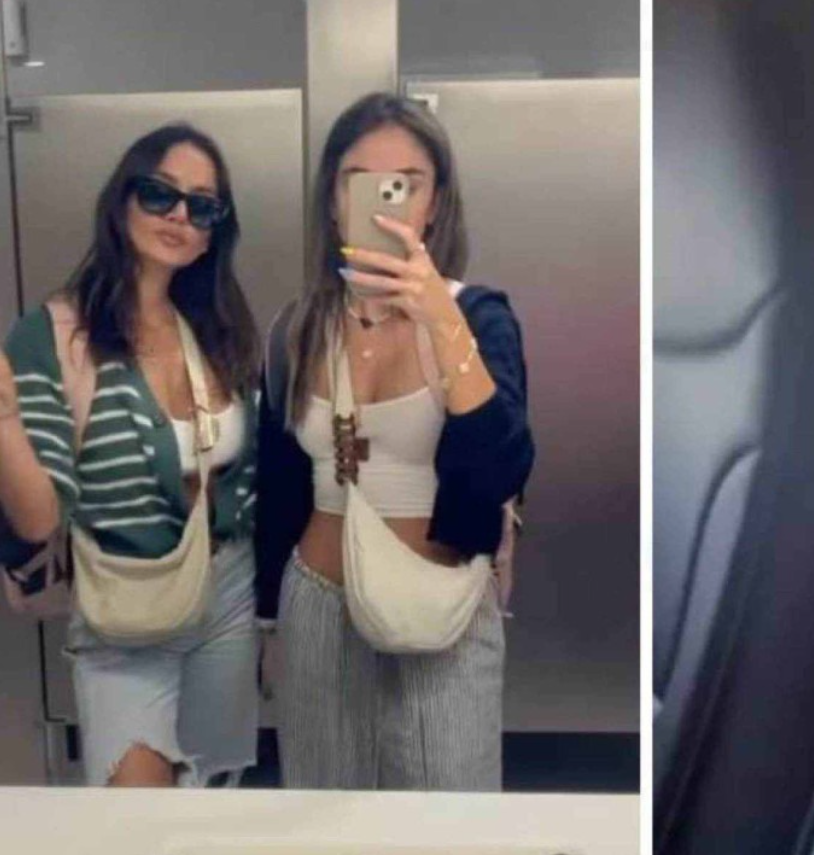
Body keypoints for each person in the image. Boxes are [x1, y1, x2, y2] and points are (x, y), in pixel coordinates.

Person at [0, 124, 262, 787]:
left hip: (226, 602)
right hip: (122, 614)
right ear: (121, 202)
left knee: (213, 807)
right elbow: (36, 518)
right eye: (160, 194)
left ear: (212, 233)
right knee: (134, 818)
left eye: (202, 206)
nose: (180, 215)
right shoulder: (54, 335)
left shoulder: (215, 327)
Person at [255, 92, 534, 790]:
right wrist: (268, 623)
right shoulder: (297, 329)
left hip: (442, 609)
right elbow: (278, 486)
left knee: (452, 817)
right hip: (318, 607)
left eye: (407, 182)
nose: (386, 202)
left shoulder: (477, 317)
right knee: (323, 818)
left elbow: (500, 467)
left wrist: (441, 320)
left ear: (435, 203)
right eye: (360, 180)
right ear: (332, 201)